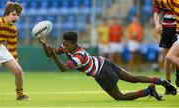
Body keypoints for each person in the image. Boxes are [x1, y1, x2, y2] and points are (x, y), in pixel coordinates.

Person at [39, 31, 177, 101]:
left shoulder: (79, 56)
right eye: (64, 44)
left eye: (67, 45)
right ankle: (160, 81)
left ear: (74, 44)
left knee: (120, 97)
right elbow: (49, 54)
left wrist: (55, 55)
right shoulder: (67, 47)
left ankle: (149, 91)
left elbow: (63, 68)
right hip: (104, 61)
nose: (64, 47)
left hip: (101, 72)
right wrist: (45, 45)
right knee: (133, 78)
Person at [0, 1, 28, 100]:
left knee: (18, 71)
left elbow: (12, 47)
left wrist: (16, 62)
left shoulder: (13, 29)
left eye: (18, 15)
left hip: (0, 48)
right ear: (6, 14)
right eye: (14, 14)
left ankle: (20, 94)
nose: (16, 17)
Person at [153, 0, 179, 94]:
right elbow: (156, 12)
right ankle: (168, 84)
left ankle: (177, 74)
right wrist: (157, 24)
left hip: (177, 28)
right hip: (166, 28)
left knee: (174, 56)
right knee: (167, 58)